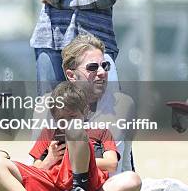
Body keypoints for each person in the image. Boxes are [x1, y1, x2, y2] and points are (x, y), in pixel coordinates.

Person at [0, 83, 140, 191]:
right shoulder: (49, 133)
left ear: (85, 111)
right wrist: (50, 159)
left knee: (132, 180)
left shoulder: (101, 132)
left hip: (88, 186)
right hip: (50, 184)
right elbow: (36, 168)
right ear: (54, 116)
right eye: (61, 120)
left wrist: (75, 157)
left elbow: (112, 164)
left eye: (72, 117)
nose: (67, 123)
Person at [32, 33, 134, 173]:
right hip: (56, 188)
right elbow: (35, 168)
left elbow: (122, 164)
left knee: (130, 181)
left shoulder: (122, 104)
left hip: (105, 190)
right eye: (92, 67)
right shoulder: (46, 105)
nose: (102, 72)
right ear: (71, 75)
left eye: (105, 65)